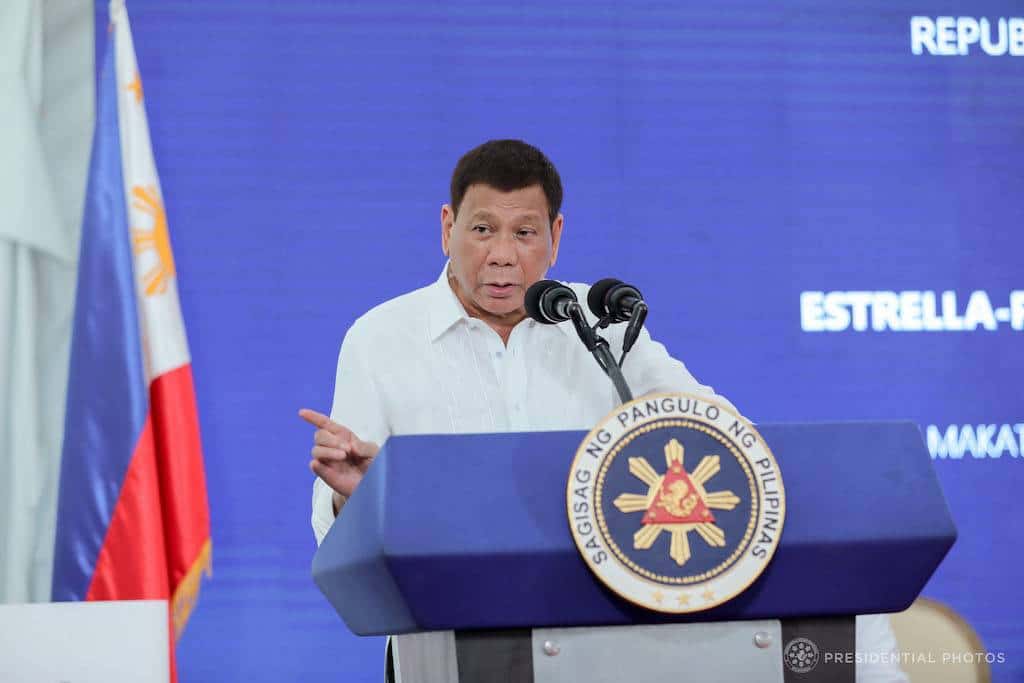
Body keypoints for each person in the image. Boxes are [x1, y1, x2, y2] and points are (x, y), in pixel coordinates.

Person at [300, 139, 907, 682]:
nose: (503, 255)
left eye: (525, 233)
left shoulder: (598, 323)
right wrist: (359, 496)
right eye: (482, 229)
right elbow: (334, 533)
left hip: (597, 639)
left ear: (556, 237)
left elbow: (719, 429)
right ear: (446, 227)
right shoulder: (382, 338)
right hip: (448, 639)